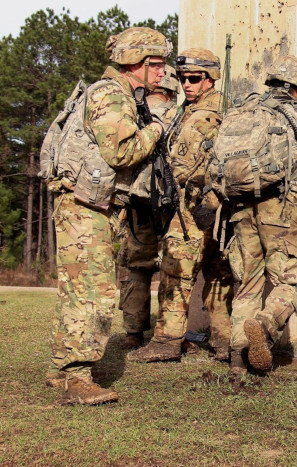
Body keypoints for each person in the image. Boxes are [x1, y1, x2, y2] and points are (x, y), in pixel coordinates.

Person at [45, 26, 171, 404]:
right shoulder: (111, 95)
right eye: (157, 64)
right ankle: (76, 378)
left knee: (76, 291)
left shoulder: (116, 93)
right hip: (84, 210)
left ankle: (60, 368)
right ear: (137, 63)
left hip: (89, 207)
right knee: (93, 296)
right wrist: (155, 130)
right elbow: (121, 152)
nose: (163, 72)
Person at [226, 56, 297, 376]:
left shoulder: (244, 112)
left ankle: (238, 358)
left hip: (242, 208)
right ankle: (263, 327)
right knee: (291, 279)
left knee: (248, 283)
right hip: (282, 208)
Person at [127, 48, 235, 363]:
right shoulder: (218, 107)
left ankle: (166, 342)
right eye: (182, 77)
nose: (186, 84)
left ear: (211, 78)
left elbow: (180, 165)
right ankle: (223, 341)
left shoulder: (203, 114)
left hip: (191, 205)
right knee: (218, 274)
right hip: (219, 207)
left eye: (194, 78)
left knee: (176, 274)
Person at [118, 64, 179, 350]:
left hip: (136, 199)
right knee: (172, 264)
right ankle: (167, 333)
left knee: (138, 267)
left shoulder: (132, 110)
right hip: (168, 199)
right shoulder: (175, 113)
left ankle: (133, 331)